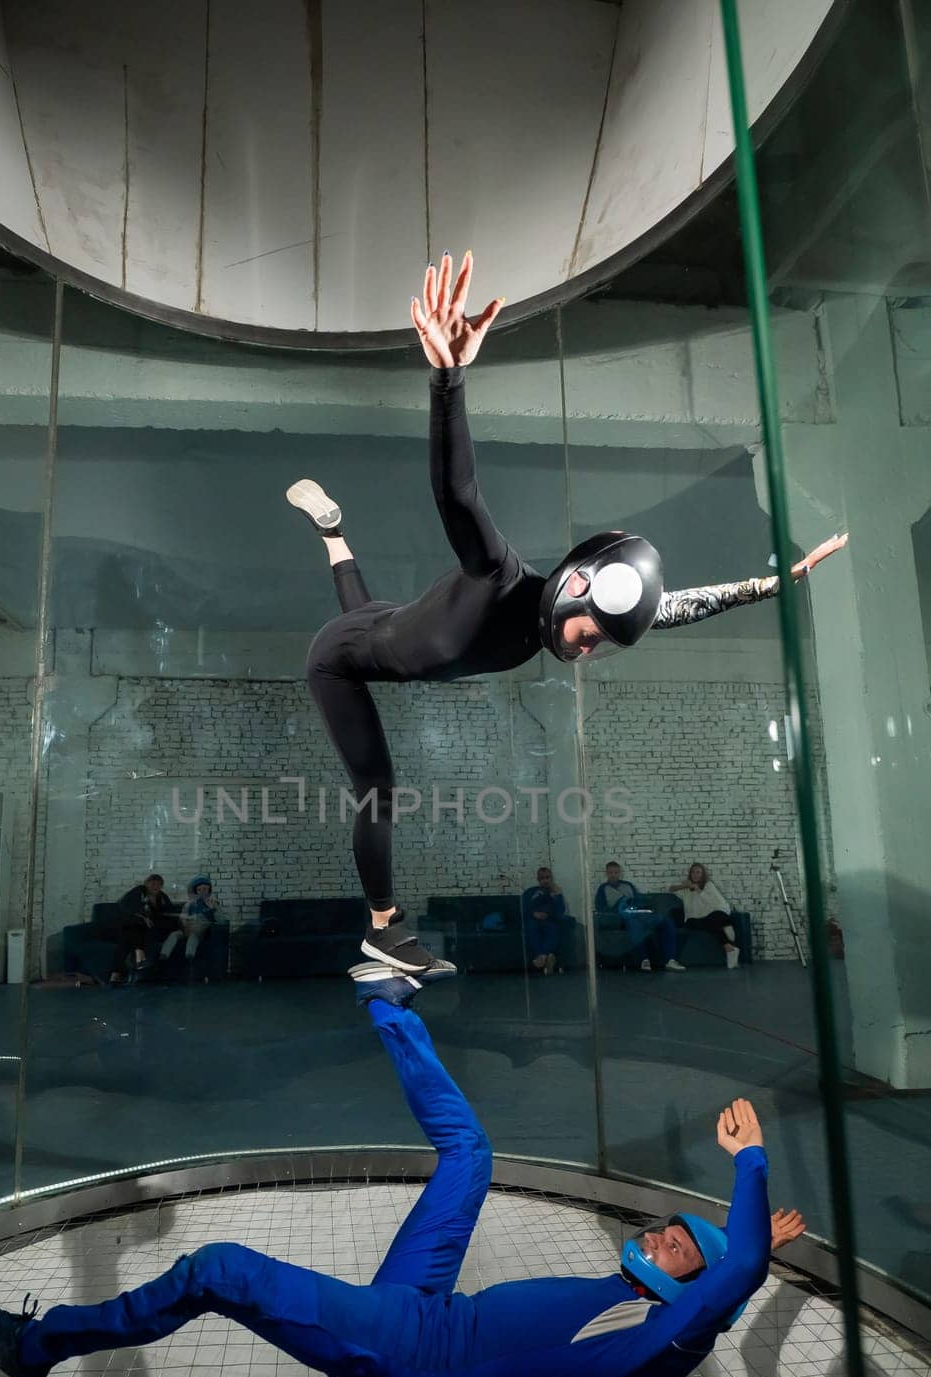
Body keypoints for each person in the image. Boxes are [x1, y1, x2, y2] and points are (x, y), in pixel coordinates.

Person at [291, 250, 848, 973]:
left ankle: (333, 532)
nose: (583, 652)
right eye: (588, 636)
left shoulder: (562, 618)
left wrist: (775, 582)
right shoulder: (497, 575)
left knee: (371, 619)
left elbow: (677, 607)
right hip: (341, 658)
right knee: (377, 788)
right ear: (573, 589)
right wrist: (447, 377)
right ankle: (381, 929)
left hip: (397, 630)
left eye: (597, 647)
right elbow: (457, 494)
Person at [0, 964, 806, 1377]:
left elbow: (718, 1301)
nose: (659, 1236)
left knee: (218, 1268)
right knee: (470, 1153)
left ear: (696, 1290)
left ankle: (33, 1352)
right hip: (429, 1308)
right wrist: (745, 1247)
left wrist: (749, 1169)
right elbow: (724, 1284)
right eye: (667, 1230)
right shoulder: (644, 1301)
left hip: (412, 1360)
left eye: (677, 1246)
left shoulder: (658, 1341)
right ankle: (388, 1000)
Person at [594, 860, 684, 972]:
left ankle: (670, 960)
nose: (613, 875)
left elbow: (638, 900)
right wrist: (618, 906)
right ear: (606, 874)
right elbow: (600, 907)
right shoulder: (603, 889)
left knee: (667, 921)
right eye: (610, 872)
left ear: (619, 873)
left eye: (616, 872)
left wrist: (640, 904)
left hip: (639, 912)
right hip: (623, 916)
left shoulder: (628, 885)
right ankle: (644, 960)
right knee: (634, 924)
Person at [108, 872, 176, 986]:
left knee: (127, 939)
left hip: (148, 929)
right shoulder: (138, 891)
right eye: (152, 884)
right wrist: (142, 916)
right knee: (134, 926)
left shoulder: (162, 897)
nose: (156, 887)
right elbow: (124, 905)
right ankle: (139, 952)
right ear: (146, 884)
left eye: (159, 884)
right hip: (131, 924)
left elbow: (170, 912)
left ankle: (117, 973)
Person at [669, 862, 741, 969]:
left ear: (703, 874)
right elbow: (671, 889)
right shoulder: (685, 890)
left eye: (698, 872)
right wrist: (685, 885)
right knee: (708, 921)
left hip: (713, 915)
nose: (695, 874)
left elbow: (716, 903)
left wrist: (698, 889)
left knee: (715, 917)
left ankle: (728, 947)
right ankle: (726, 928)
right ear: (690, 874)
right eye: (693, 872)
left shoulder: (708, 885)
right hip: (694, 920)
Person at [160, 874, 220, 965]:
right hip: (187, 928)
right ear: (196, 891)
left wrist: (214, 909)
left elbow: (219, 919)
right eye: (199, 890)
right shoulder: (191, 904)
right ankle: (164, 954)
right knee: (174, 934)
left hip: (200, 930)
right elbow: (182, 916)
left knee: (193, 937)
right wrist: (185, 926)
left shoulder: (212, 902)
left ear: (209, 890)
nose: (202, 892)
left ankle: (189, 955)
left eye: (205, 889)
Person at [522, 866, 567, 974]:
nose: (545, 880)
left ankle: (541, 957)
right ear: (538, 880)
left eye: (547, 878)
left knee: (553, 929)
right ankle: (547, 957)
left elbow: (560, 911)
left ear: (551, 878)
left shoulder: (555, 892)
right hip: (533, 919)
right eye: (542, 878)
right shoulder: (531, 892)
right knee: (531, 927)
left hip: (549, 919)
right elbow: (523, 907)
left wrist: (557, 896)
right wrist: (534, 914)